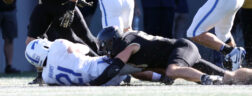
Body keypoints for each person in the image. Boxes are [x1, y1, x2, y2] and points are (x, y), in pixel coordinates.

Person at [94, 26, 252, 86]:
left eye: (105, 45)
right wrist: (161, 78)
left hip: (182, 48)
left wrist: (94, 83)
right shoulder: (130, 53)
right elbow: (141, 71)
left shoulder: (128, 43)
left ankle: (208, 80)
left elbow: (114, 67)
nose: (105, 50)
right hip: (179, 55)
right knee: (228, 77)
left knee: (172, 70)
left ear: (113, 41)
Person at [25, 38, 172, 86]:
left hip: (103, 83)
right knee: (140, 60)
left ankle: (162, 77)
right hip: (102, 67)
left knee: (135, 69)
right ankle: (171, 71)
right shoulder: (57, 45)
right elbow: (83, 49)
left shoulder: (46, 77)